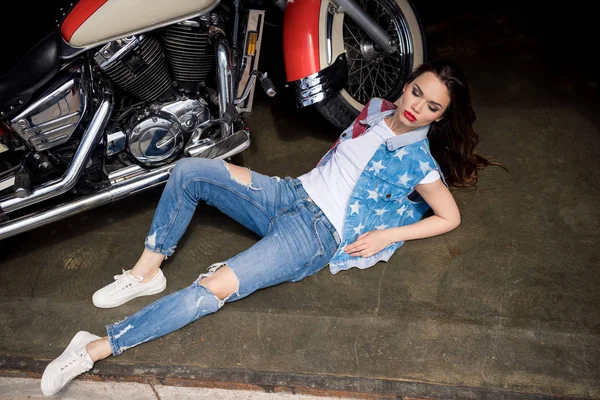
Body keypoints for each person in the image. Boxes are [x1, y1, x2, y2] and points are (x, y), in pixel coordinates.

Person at [40, 59, 501, 396]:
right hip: (288, 194)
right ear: (405, 87)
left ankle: (94, 347)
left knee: (209, 291)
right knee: (189, 171)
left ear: (440, 118)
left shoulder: (419, 162)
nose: (419, 106)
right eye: (417, 92)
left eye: (433, 107)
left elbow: (449, 217)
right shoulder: (376, 110)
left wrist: (384, 235)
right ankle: (146, 273)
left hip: (315, 236)